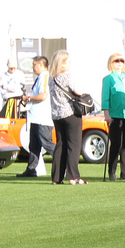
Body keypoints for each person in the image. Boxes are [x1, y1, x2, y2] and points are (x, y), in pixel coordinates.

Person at [48, 50, 88, 185]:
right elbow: (78, 91)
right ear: (63, 63)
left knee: (60, 144)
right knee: (74, 145)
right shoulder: (66, 76)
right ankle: (73, 176)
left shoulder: (51, 77)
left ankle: (56, 177)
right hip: (70, 113)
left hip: (56, 114)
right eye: (68, 61)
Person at [99, 54, 125, 180]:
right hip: (116, 113)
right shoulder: (109, 78)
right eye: (116, 61)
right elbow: (105, 97)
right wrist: (106, 113)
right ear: (111, 63)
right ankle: (112, 171)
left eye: (121, 61)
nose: (120, 63)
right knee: (116, 143)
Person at [20, 55, 53, 177]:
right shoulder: (40, 78)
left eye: (34, 64)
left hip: (42, 118)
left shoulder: (45, 77)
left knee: (47, 143)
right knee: (34, 145)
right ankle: (31, 169)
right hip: (35, 117)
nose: (33, 67)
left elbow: (43, 95)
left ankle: (63, 163)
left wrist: (29, 98)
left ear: (40, 65)